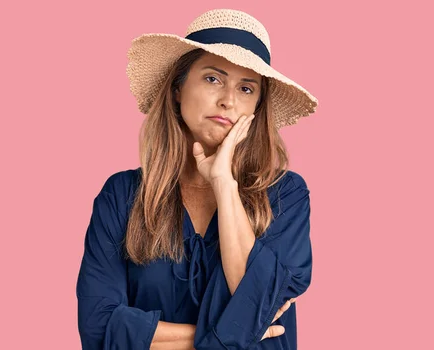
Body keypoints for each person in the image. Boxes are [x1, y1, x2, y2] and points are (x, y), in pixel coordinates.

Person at [76, 8, 318, 350]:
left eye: (247, 88)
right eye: (212, 78)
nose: (228, 100)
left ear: (257, 107)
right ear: (178, 88)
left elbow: (259, 299)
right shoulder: (121, 196)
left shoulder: (285, 195)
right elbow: (99, 328)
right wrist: (232, 333)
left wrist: (224, 183)